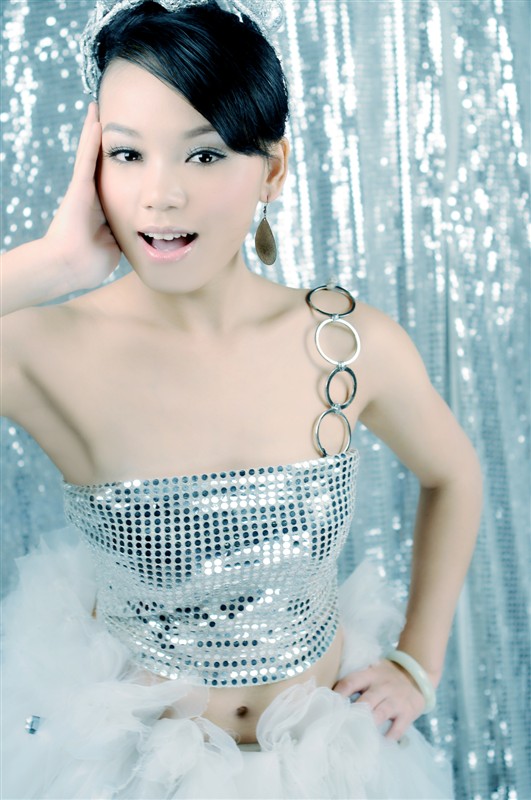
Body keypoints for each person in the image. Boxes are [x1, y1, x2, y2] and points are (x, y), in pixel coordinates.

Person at [0, 0, 482, 797]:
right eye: (127, 154)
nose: (160, 195)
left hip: (329, 765)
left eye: (204, 154)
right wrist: (50, 265)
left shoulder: (345, 342)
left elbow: (454, 474)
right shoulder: (41, 348)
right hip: (135, 776)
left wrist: (416, 663)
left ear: (272, 170)